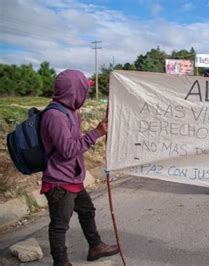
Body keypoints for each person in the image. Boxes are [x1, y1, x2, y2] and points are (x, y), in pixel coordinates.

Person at [40, 69, 119, 266]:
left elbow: (73, 143)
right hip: (60, 181)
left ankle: (95, 246)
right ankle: (61, 262)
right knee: (60, 225)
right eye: (84, 89)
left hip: (73, 177)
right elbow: (68, 150)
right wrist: (96, 133)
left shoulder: (70, 111)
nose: (86, 94)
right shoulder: (55, 116)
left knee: (86, 210)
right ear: (74, 91)